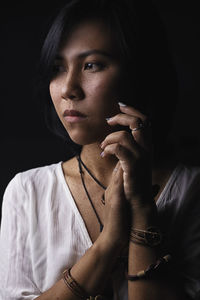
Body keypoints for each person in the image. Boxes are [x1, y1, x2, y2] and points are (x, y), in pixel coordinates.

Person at [1, 0, 200, 299]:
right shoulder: (28, 192)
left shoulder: (192, 190)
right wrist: (109, 242)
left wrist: (144, 210)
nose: (68, 88)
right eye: (57, 68)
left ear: (139, 71)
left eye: (92, 65)